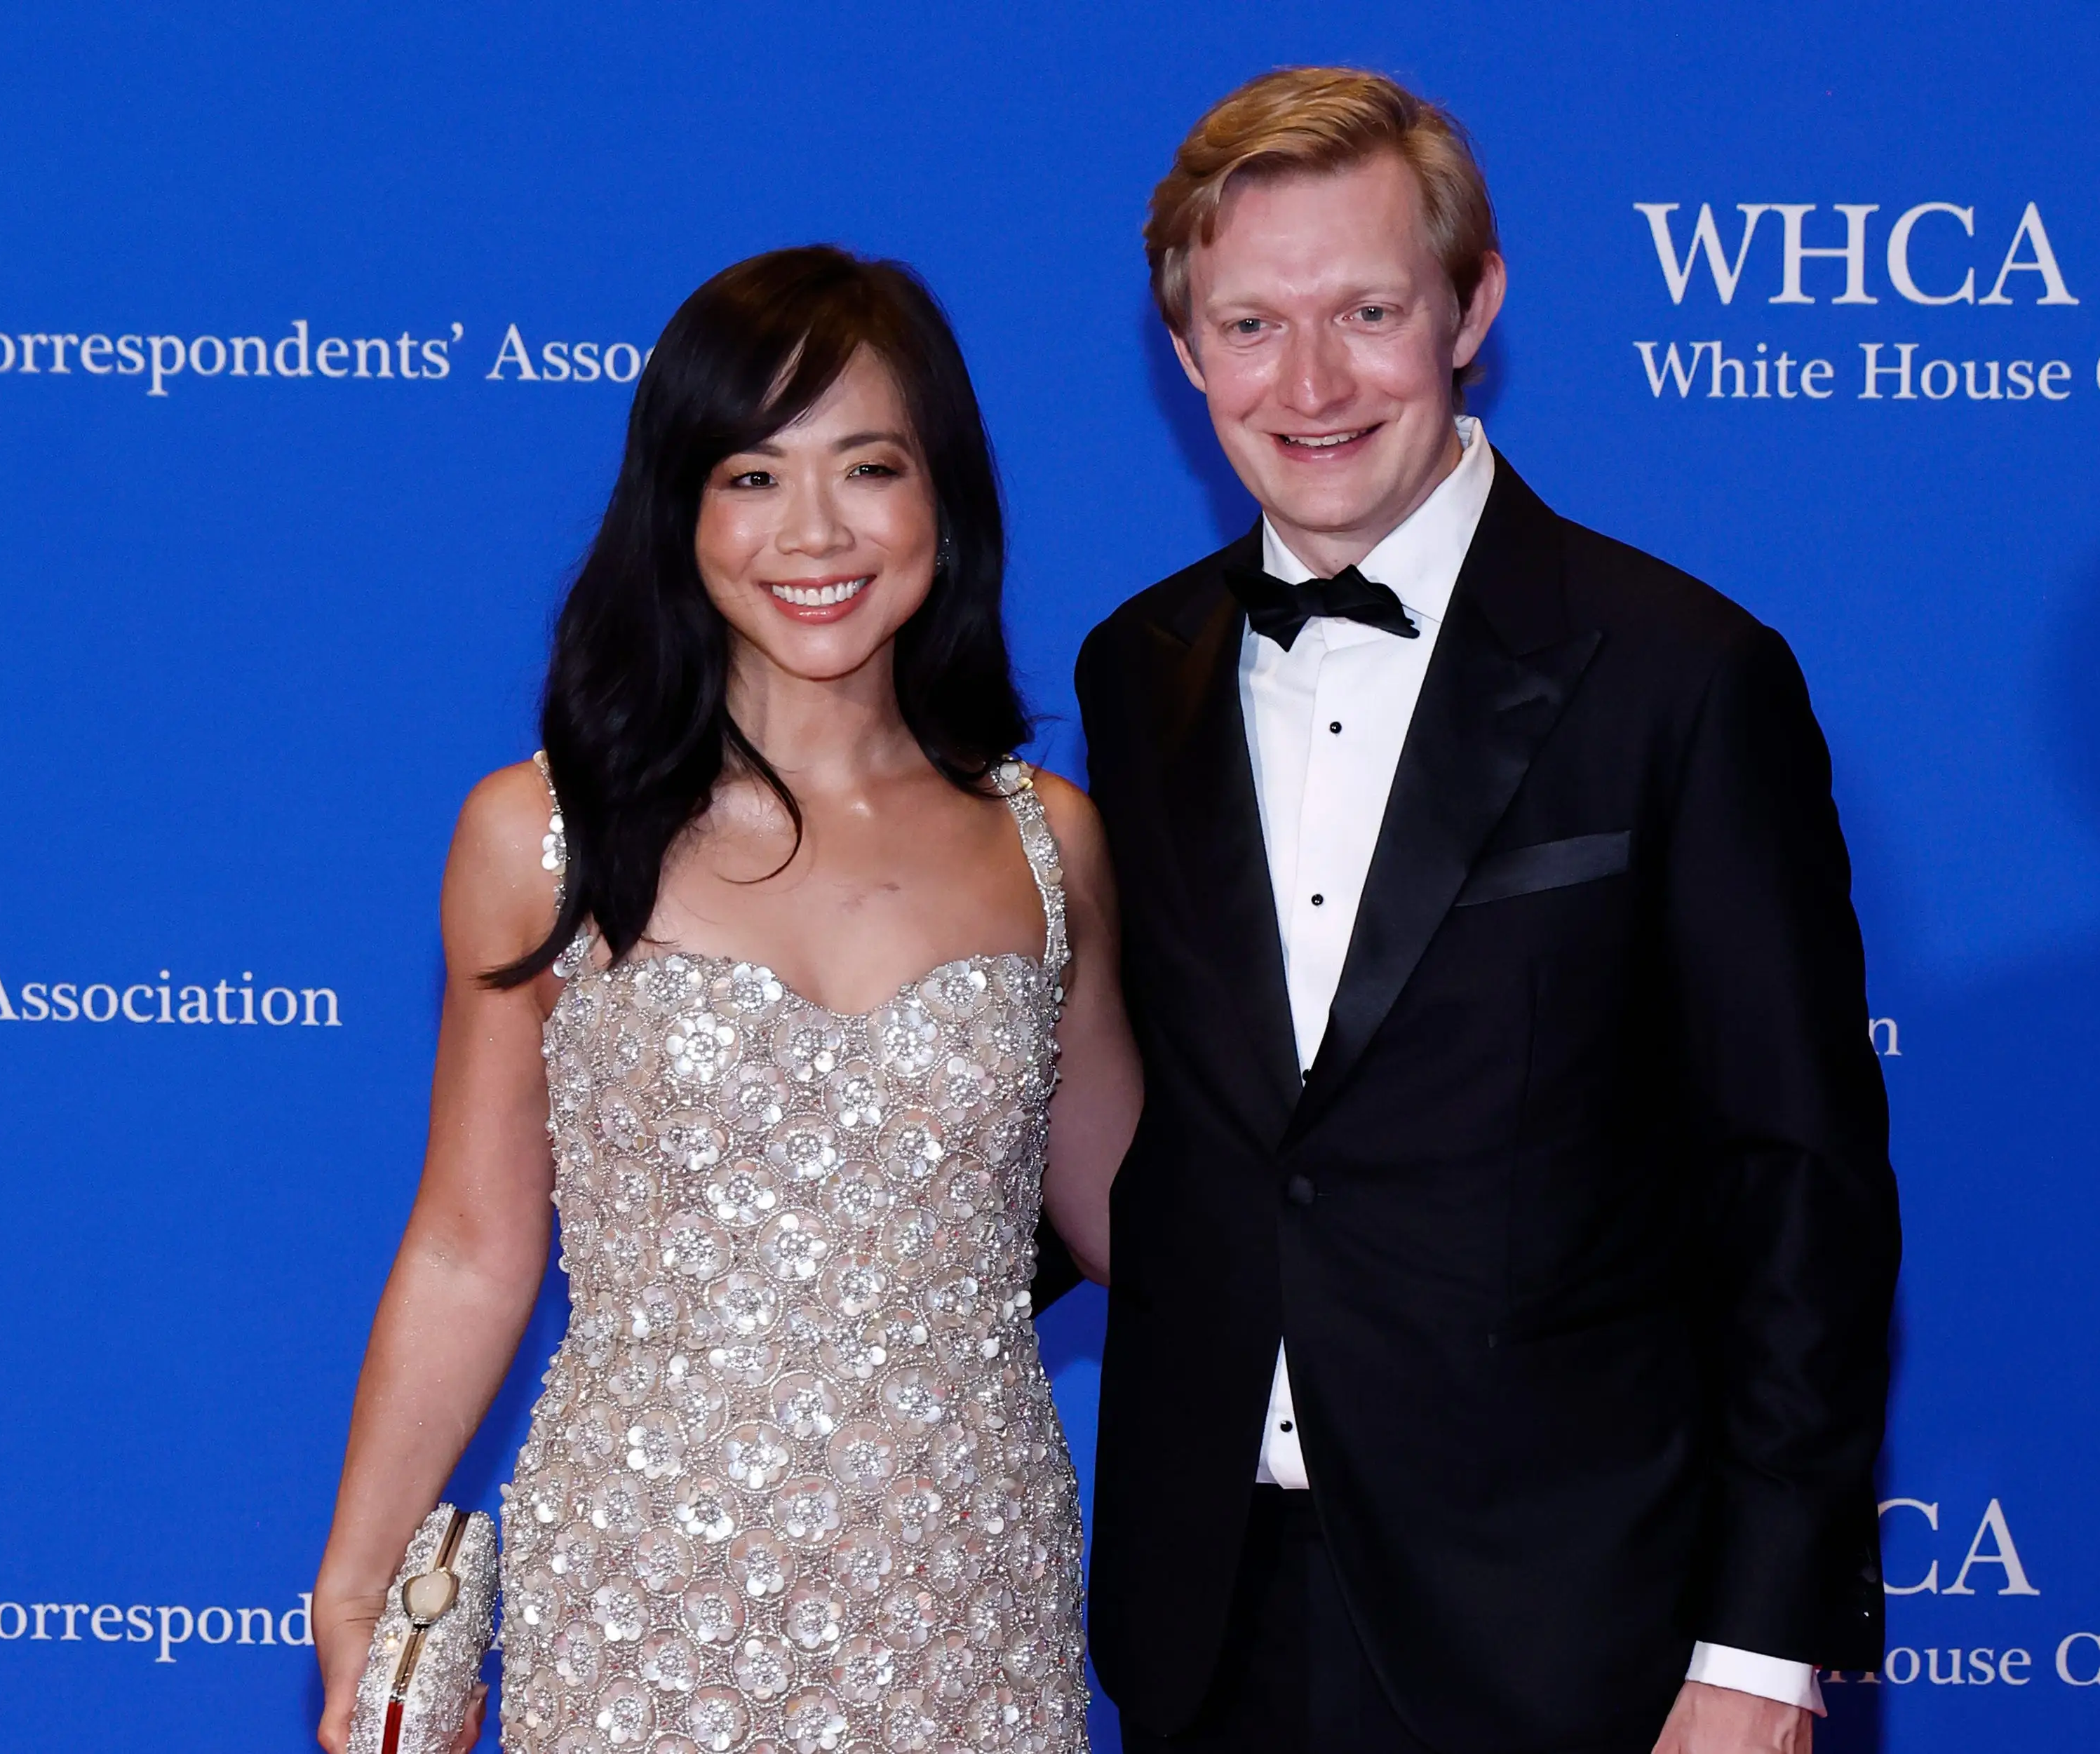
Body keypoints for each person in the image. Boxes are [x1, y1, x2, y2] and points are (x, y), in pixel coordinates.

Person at [1077, 69, 1901, 1754]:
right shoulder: (1133, 669)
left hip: (1573, 1624)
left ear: (1472, 305)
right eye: (1248, 323)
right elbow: (1161, 1124)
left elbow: (1793, 1182)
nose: (1307, 383)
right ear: (1185, 352)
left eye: (1365, 310)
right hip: (1206, 1608)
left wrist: (1755, 1649)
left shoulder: (1682, 675)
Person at [312, 245, 1139, 1754]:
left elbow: (1142, 1222)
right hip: (640, 1592)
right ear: (678, 510)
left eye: (866, 467)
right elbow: (469, 1244)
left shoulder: (1047, 839)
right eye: (751, 475)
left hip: (964, 1587)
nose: (812, 530)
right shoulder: (540, 833)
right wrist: (357, 1581)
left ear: (940, 501)